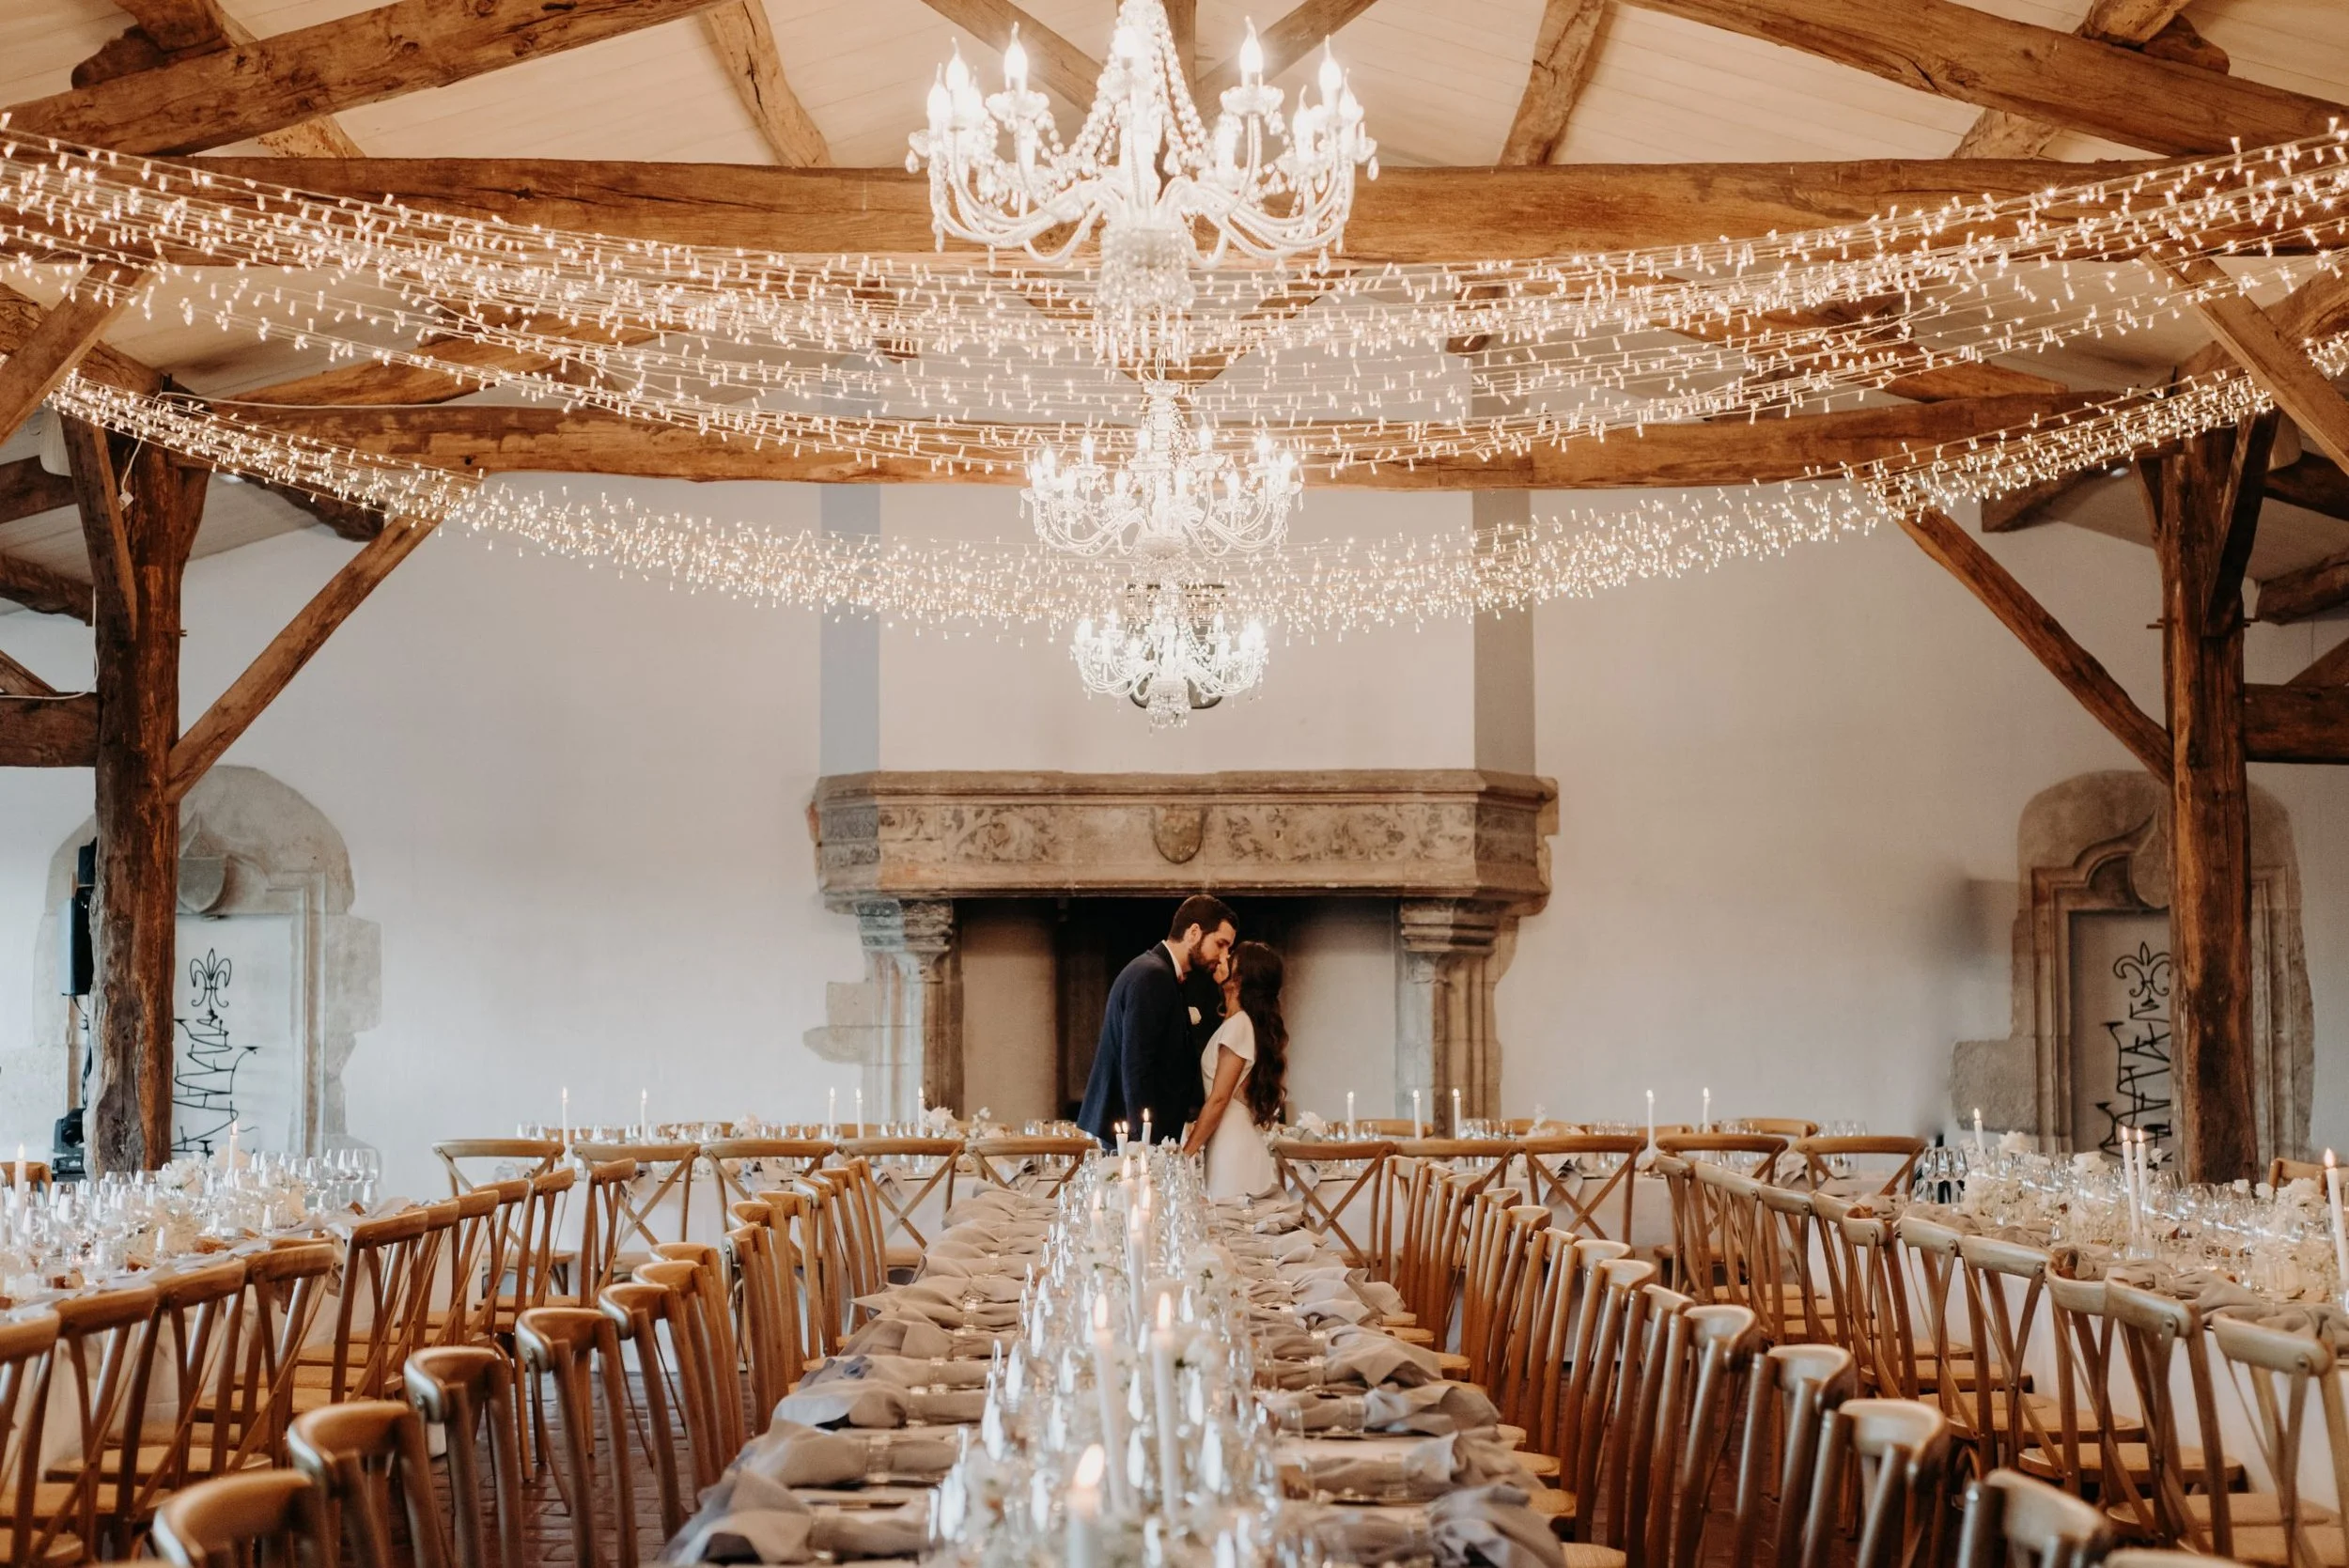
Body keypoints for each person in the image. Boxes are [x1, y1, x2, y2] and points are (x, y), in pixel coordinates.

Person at [1076, 894, 1237, 1148]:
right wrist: (1144, 1145)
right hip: (1130, 1139)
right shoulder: (1152, 976)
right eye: (1220, 944)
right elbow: (1137, 1066)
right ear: (1194, 932)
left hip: (1137, 1134)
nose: (1224, 956)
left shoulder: (1158, 971)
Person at [1180, 940, 1286, 1199]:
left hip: (1233, 1151)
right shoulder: (1238, 1023)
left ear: (1240, 977)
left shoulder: (1239, 1025)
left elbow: (1219, 1099)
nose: (1223, 957)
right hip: (1226, 1142)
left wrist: (1185, 1155)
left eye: (1232, 957)